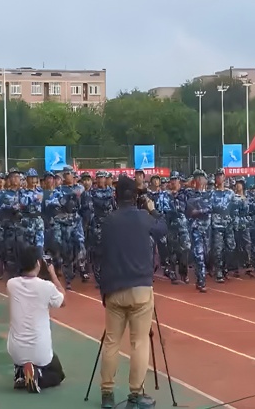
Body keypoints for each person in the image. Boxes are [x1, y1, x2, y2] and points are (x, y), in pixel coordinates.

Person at [99, 175, 167, 409]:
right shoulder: (143, 217)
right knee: (139, 342)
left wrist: (104, 291)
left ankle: (107, 394)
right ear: (136, 196)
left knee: (111, 342)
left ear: (116, 196)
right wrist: (152, 209)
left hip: (114, 288)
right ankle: (136, 395)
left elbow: (100, 254)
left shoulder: (108, 221)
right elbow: (162, 229)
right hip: (140, 288)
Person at [7, 246, 66, 393]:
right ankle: (37, 377)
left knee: (24, 349)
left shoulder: (11, 284)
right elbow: (62, 300)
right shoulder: (47, 287)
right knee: (58, 374)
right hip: (40, 352)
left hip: (16, 351)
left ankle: (21, 372)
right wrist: (52, 272)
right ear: (38, 263)